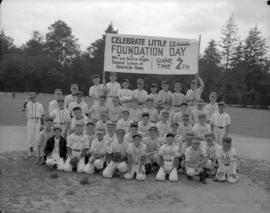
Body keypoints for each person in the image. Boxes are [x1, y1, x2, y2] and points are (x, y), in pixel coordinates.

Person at [25, 92, 45, 158]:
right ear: (30, 97)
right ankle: (30, 153)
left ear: (36, 97)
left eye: (34, 96)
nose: (33, 98)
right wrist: (26, 100)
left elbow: (42, 114)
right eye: (31, 97)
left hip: (38, 121)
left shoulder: (40, 105)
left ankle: (37, 152)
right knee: (30, 137)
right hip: (30, 120)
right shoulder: (28, 104)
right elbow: (23, 109)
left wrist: (42, 124)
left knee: (38, 137)